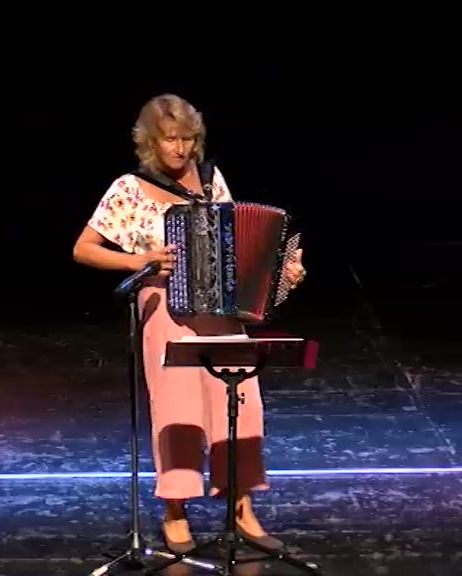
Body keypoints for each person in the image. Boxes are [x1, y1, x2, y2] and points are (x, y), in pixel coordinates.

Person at [72, 94, 306, 554]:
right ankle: (175, 511)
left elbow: (236, 241)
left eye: (187, 139)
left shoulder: (210, 178)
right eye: (169, 139)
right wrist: (138, 260)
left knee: (239, 402)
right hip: (164, 307)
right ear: (150, 142)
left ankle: (241, 508)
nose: (179, 149)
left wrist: (280, 271)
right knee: (178, 410)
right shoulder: (129, 188)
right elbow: (83, 248)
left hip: (219, 308)